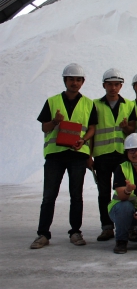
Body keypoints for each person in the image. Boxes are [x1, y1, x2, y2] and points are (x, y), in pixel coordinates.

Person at [31, 63, 97, 249]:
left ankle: (75, 232)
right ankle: (43, 234)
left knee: (76, 195)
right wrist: (54, 121)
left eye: (78, 79)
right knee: (49, 196)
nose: (74, 83)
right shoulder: (52, 102)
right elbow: (44, 127)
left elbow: (92, 128)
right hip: (55, 155)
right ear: (64, 80)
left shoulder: (88, 104)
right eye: (71, 79)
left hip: (77, 155)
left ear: (82, 82)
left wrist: (83, 141)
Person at [92, 68, 135, 242]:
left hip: (122, 156)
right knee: (103, 192)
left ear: (121, 86)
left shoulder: (129, 105)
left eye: (116, 84)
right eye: (109, 84)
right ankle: (107, 227)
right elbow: (91, 130)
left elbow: (132, 129)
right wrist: (89, 155)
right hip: (102, 155)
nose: (113, 88)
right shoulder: (94, 105)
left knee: (126, 192)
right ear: (104, 85)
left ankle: (128, 226)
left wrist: (126, 128)